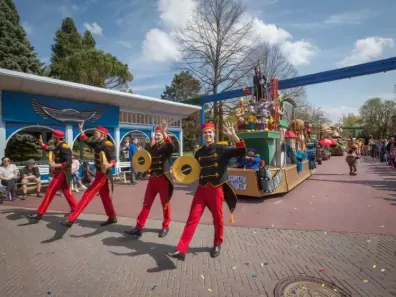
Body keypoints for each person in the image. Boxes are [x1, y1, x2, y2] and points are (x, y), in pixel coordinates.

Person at [166, 121, 246, 261]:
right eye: (205, 132)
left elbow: (241, 151)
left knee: (218, 219)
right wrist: (177, 173)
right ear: (202, 135)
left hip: (216, 190)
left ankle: (217, 243)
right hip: (201, 190)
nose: (207, 134)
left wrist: (234, 136)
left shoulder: (222, 149)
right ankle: (181, 249)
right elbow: (192, 169)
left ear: (214, 134)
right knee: (192, 219)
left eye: (210, 132)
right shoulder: (199, 152)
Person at [59, 122, 117, 228]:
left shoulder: (107, 144)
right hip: (99, 173)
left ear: (102, 134)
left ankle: (71, 219)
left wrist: (109, 164)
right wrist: (81, 129)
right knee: (105, 197)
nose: (94, 134)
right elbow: (86, 140)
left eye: (96, 133)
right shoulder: (97, 143)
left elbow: (113, 158)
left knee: (88, 194)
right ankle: (112, 217)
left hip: (104, 174)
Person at [125, 120, 175, 238]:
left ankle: (166, 226)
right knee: (146, 204)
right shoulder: (152, 148)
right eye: (156, 134)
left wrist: (165, 133)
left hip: (163, 179)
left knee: (165, 204)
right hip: (152, 179)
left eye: (159, 134)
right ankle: (139, 227)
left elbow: (172, 147)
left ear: (163, 135)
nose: (157, 136)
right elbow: (146, 160)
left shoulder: (167, 147)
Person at [25, 130, 78, 222]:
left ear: (57, 138)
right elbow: (51, 150)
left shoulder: (64, 147)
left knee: (50, 191)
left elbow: (68, 162)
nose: (52, 138)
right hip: (61, 172)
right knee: (66, 192)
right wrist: (42, 144)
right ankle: (76, 209)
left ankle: (39, 213)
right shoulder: (59, 146)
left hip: (62, 172)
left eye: (53, 137)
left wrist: (55, 165)